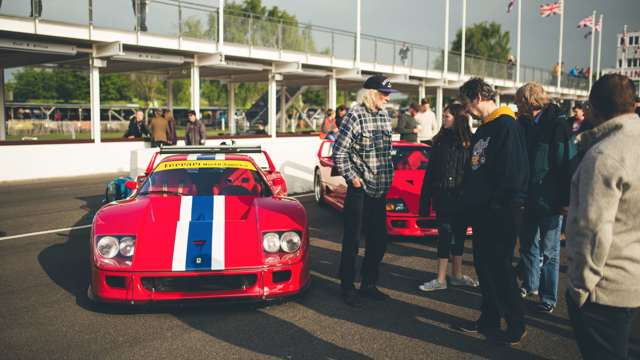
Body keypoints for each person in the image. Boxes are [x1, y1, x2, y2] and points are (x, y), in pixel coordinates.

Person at [566, 74, 640, 360]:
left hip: (608, 290)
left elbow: (593, 229)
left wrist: (580, 288)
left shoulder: (604, 155)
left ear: (593, 108)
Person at [456, 78, 529, 345]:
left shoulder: (507, 126)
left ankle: (516, 322)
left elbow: (513, 173)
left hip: (500, 212)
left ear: (477, 96)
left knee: (500, 268)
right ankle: (489, 318)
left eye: (466, 103)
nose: (465, 110)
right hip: (481, 212)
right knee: (483, 267)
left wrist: (497, 205)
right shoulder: (483, 129)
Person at [332, 75, 396, 307]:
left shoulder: (385, 116)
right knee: (352, 241)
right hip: (360, 190)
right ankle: (347, 287)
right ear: (370, 93)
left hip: (380, 190)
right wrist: (353, 179)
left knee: (379, 240)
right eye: (384, 94)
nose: (387, 99)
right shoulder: (355, 115)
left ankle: (369, 284)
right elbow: (338, 151)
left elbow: (386, 152)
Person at [515, 83, 576, 314]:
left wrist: (565, 200)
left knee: (549, 252)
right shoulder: (523, 124)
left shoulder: (557, 125)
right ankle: (529, 286)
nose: (516, 105)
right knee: (528, 246)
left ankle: (548, 298)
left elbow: (566, 165)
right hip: (528, 197)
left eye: (519, 100)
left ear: (529, 101)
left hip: (550, 201)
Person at [418, 102, 478, 291]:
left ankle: (457, 275)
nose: (443, 119)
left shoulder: (471, 142)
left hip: (462, 198)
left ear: (458, 119)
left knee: (459, 236)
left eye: (447, 116)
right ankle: (441, 279)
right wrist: (425, 200)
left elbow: (475, 173)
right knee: (444, 235)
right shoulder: (440, 141)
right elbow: (430, 173)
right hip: (443, 196)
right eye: (443, 116)